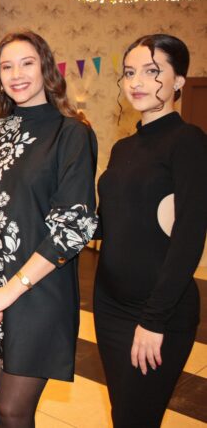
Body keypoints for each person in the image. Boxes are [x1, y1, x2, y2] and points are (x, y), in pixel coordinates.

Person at [0, 31, 98, 427]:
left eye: (27, 63)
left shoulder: (71, 133)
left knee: (13, 410)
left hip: (37, 289)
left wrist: (7, 295)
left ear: (46, 68)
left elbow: (74, 225)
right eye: (7, 66)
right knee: (8, 409)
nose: (17, 74)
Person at [94, 34, 207, 427]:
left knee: (135, 418)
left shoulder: (188, 141)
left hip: (158, 311)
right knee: (123, 413)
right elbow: (106, 223)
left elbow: (189, 238)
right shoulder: (122, 148)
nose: (137, 81)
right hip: (109, 306)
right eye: (129, 72)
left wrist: (154, 320)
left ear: (179, 81)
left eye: (152, 71)